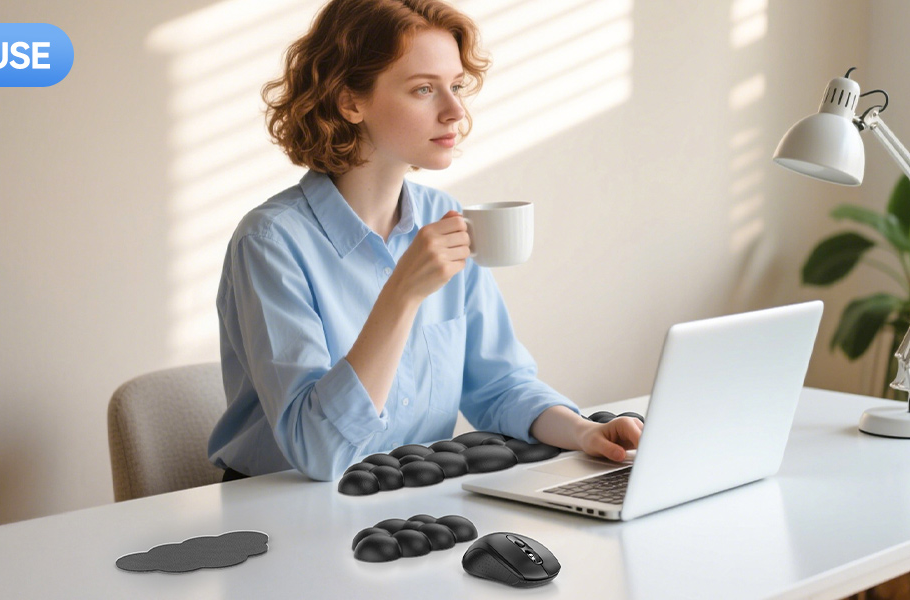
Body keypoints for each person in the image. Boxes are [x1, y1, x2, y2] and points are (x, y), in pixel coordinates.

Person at [206, 0, 642, 482]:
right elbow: (318, 450)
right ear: (350, 102)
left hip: (407, 495)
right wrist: (403, 294)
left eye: (456, 86)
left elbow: (498, 385)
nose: (456, 111)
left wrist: (584, 432)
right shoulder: (270, 242)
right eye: (423, 89)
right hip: (282, 505)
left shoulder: (443, 217)